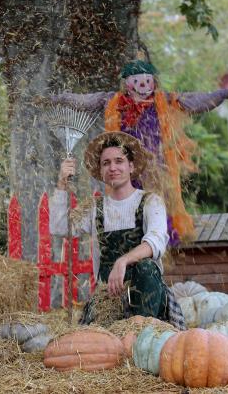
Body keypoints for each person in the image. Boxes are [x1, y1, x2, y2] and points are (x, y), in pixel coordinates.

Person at [46, 60, 228, 244]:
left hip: (155, 170)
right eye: (138, 81)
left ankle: (158, 246)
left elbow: (196, 102)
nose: (143, 85)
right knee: (124, 209)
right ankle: (126, 240)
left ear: (154, 82)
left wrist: (221, 94)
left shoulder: (163, 100)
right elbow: (84, 101)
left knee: (156, 210)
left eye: (148, 81)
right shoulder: (112, 100)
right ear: (128, 84)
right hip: (124, 170)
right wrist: (57, 99)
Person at [49, 131, 185, 329]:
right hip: (108, 301)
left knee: (146, 267)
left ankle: (141, 333)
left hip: (148, 304)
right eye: (106, 163)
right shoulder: (95, 207)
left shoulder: (150, 201)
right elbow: (59, 226)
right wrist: (61, 183)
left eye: (119, 161)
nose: (113, 168)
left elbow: (155, 242)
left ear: (131, 166)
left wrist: (122, 261)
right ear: (101, 171)